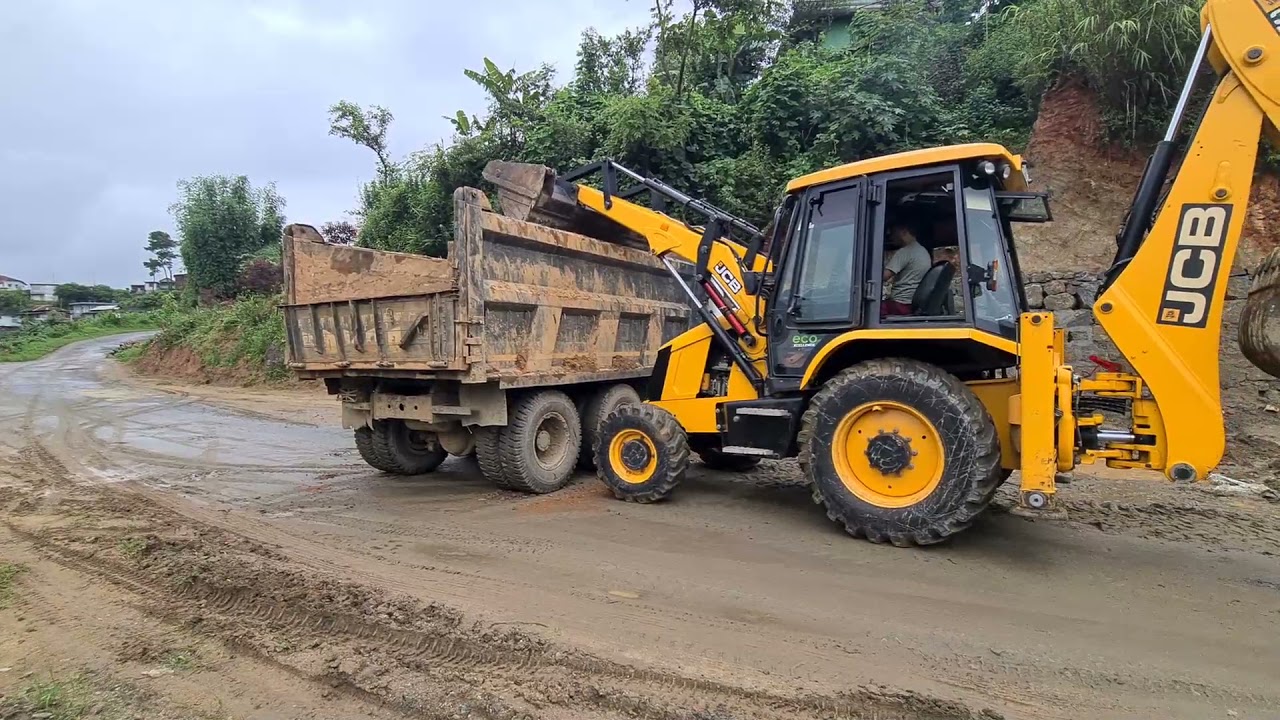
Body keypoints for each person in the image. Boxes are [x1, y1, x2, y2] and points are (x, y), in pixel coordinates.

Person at [881, 224, 932, 317]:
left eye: (893, 233)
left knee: (868, 309)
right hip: (911, 304)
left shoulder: (905, 252)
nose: (890, 237)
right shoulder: (923, 251)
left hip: (899, 305)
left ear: (903, 232)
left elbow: (883, 277)